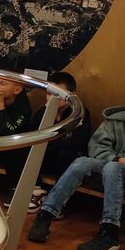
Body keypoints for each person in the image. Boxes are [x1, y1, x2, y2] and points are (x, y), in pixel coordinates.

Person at [27, 79, 125, 250]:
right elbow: (96, 147)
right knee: (82, 162)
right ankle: (46, 215)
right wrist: (119, 159)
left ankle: (109, 233)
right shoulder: (115, 119)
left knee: (113, 168)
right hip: (113, 164)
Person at [29, 71, 93, 209]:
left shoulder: (80, 113)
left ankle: (58, 203)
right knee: (26, 149)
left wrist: (49, 143)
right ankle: (37, 191)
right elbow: (34, 138)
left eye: (58, 94)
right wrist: (47, 113)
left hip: (65, 159)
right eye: (49, 93)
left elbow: (79, 143)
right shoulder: (42, 112)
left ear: (72, 95)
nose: (53, 98)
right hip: (46, 157)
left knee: (66, 154)